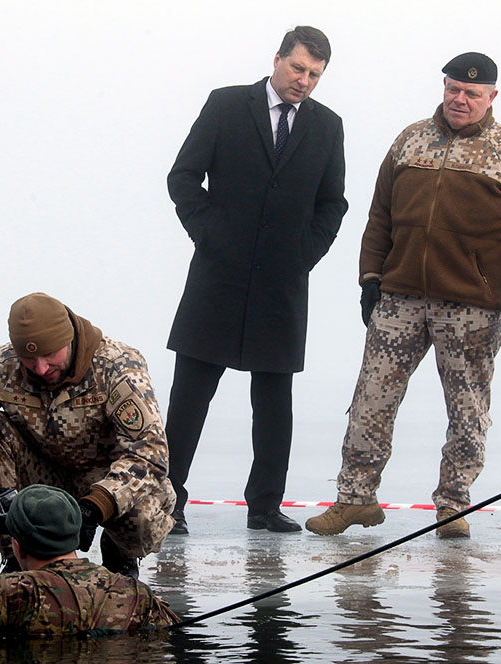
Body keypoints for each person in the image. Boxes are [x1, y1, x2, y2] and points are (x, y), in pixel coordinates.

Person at [305, 52, 501, 539]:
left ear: (492, 97)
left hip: (471, 307)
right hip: (399, 300)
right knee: (370, 401)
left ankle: (453, 505)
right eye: (453, 89)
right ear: (443, 87)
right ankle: (355, 498)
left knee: (467, 410)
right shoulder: (410, 140)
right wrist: (369, 278)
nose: (460, 100)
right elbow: (379, 215)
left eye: (472, 94)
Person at [165, 26, 347, 534]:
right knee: (190, 395)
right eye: (297, 68)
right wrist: (210, 234)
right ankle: (168, 499)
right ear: (277, 60)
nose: (304, 81)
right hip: (217, 276)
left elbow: (333, 202)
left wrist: (304, 254)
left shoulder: (327, 126)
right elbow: (182, 177)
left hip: (282, 283)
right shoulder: (226, 105)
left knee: (274, 401)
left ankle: (265, 507)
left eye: (314, 74)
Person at [0, 292, 176, 578]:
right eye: (29, 358)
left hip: (105, 478)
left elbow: (150, 451)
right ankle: (18, 552)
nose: (40, 368)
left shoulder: (116, 365)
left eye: (50, 355)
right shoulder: (1, 367)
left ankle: (122, 552)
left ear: (68, 340)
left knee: (141, 520)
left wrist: (97, 506)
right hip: (40, 475)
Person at [0, 484, 179, 643]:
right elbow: (170, 633)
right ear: (76, 536)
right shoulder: (135, 592)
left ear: (16, 546)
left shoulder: (11, 593)